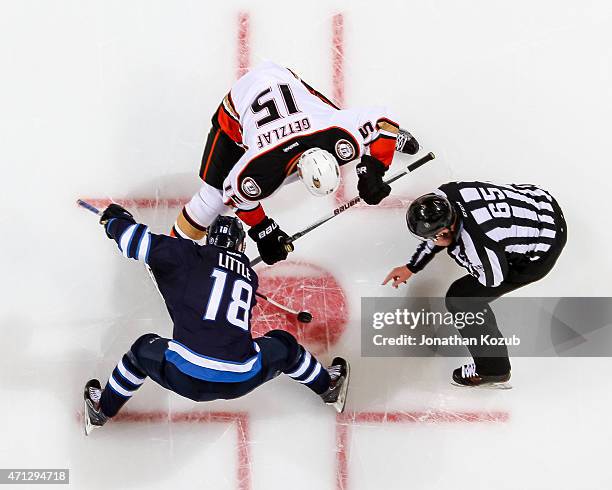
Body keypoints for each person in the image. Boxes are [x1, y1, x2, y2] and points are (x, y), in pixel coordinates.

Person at [83, 204, 350, 435]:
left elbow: (134, 242)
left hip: (186, 374)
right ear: (241, 246)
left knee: (140, 352)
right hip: (241, 377)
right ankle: (328, 388)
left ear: (208, 239)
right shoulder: (248, 273)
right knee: (284, 346)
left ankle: (102, 410)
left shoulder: (187, 254)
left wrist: (115, 220)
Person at [171, 60, 419, 265]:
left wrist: (376, 165)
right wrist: (263, 231)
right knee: (212, 197)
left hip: (284, 83)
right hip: (238, 106)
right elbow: (233, 192)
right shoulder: (261, 168)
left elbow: (383, 121)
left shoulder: (333, 133)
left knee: (347, 131)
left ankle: (368, 141)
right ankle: (169, 254)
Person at [383, 181, 567, 387]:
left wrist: (459, 251)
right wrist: (412, 267)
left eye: (434, 237)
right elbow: (441, 235)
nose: (431, 242)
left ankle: (494, 369)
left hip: (545, 246)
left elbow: (492, 279)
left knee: (461, 299)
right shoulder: (445, 194)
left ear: (446, 232)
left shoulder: (478, 246)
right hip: (540, 202)